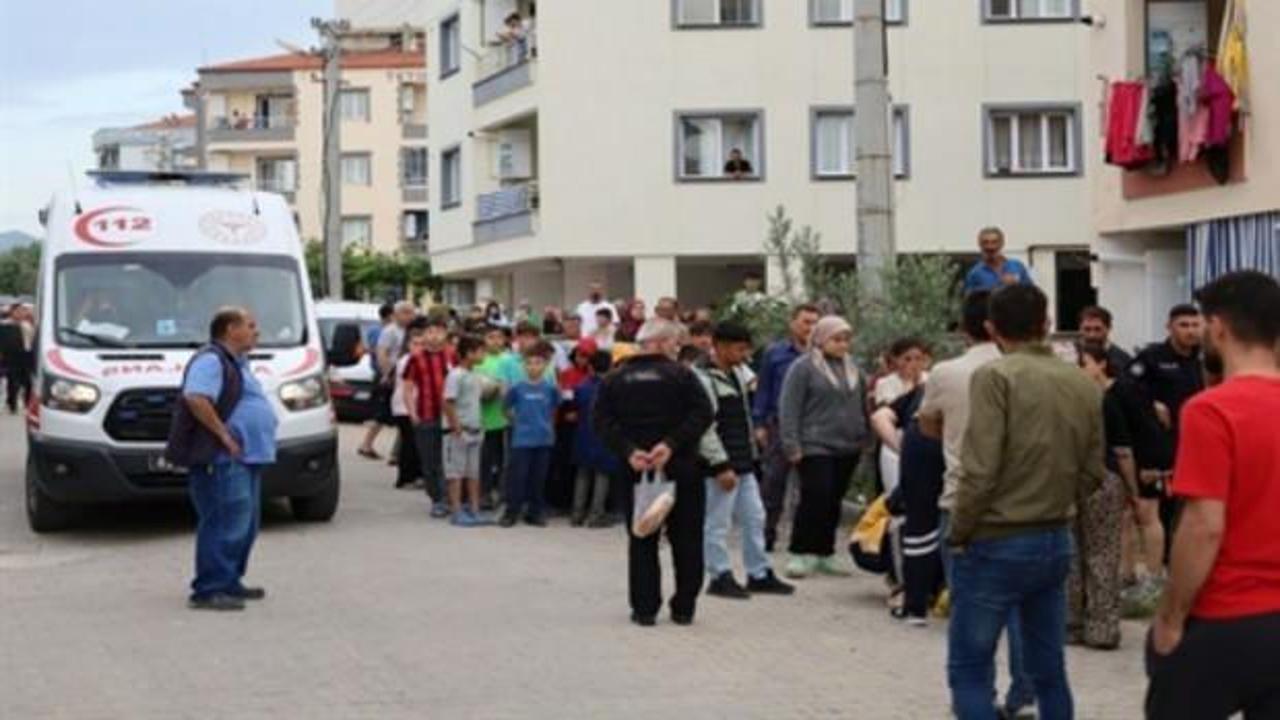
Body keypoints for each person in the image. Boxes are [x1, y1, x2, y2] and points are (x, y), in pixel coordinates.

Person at [947, 284, 1104, 720]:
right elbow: (1093, 471)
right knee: (1048, 670)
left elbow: (979, 470)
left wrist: (959, 531)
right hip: (1054, 536)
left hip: (996, 538)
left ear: (992, 328)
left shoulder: (996, 377)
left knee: (971, 667)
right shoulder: (1082, 382)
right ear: (1047, 324)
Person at [1145, 271, 1280, 720]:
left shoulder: (1212, 410)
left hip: (1228, 614)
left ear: (1218, 327)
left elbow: (1204, 526)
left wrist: (1171, 616)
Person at [918, 291, 1035, 717]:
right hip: (1024, 506)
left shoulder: (946, 373)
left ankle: (974, 697)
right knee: (1023, 609)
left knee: (970, 610)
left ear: (969, 328)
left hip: (962, 499)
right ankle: (1024, 694)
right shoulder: (1036, 373)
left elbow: (927, 425)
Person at [593, 318, 714, 627]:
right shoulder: (683, 376)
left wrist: (629, 450)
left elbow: (601, 422)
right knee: (687, 538)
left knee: (642, 538)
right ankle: (684, 607)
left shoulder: (614, 379)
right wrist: (671, 444)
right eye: (676, 344)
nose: (678, 350)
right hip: (681, 466)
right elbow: (704, 413)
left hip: (636, 470)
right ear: (661, 343)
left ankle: (645, 609)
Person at [173, 307, 277, 611]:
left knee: (245, 524)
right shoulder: (211, 359)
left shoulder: (238, 363)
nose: (257, 331)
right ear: (231, 329)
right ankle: (209, 588)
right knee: (223, 521)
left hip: (248, 457)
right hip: (222, 458)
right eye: (250, 325)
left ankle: (229, 580)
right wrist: (223, 435)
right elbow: (195, 397)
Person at [697, 322, 795, 600]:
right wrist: (719, 465)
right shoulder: (702, 378)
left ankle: (759, 572)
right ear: (721, 347)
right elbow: (705, 427)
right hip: (720, 465)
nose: (744, 355)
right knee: (717, 523)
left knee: (755, 517)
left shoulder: (739, 374)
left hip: (744, 460)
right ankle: (719, 575)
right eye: (739, 349)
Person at [778, 315, 868, 580]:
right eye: (836, 339)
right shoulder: (803, 367)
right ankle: (799, 551)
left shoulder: (854, 369)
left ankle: (825, 552)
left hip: (848, 445)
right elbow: (789, 407)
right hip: (814, 443)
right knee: (816, 494)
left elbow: (863, 404)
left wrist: (866, 437)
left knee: (833, 500)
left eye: (846, 339)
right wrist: (791, 443)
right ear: (820, 339)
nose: (842, 345)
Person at [1126, 304, 1206, 563]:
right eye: (1184, 325)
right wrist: (1151, 404)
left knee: (1194, 505)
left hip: (1196, 442)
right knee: (1165, 507)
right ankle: (1166, 562)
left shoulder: (1205, 358)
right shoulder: (1152, 357)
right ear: (1169, 327)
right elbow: (1125, 390)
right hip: (1162, 446)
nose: (1191, 331)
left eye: (1195, 325)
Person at [1067, 342, 1133, 650]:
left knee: (1073, 553)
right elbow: (1122, 451)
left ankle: (1071, 622)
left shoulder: (1059, 401)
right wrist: (1131, 488)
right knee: (1102, 554)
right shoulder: (1106, 400)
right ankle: (1103, 626)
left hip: (1066, 480)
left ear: (1101, 364)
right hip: (1103, 480)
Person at [753, 303, 821, 551]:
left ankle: (804, 541)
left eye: (815, 322)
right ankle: (765, 535)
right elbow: (764, 389)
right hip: (779, 425)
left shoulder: (823, 355)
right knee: (773, 483)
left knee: (810, 487)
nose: (810, 328)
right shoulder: (775, 353)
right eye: (806, 322)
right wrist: (759, 423)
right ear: (793, 323)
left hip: (814, 428)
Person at [501, 341, 561, 527]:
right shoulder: (517, 388)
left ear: (545, 366)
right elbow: (505, 408)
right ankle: (511, 512)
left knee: (538, 478)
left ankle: (535, 512)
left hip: (543, 439)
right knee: (518, 477)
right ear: (523, 366)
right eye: (529, 363)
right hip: (522, 440)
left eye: (538, 363)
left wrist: (549, 428)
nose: (534, 367)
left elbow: (554, 409)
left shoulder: (550, 389)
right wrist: (516, 422)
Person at [403, 316, 455, 518]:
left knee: (447, 459)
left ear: (445, 334)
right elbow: (407, 388)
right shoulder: (415, 358)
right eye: (430, 332)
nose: (434, 336)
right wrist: (412, 413)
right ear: (423, 335)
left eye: (439, 332)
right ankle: (436, 498)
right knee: (429, 460)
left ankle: (448, 498)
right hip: (425, 413)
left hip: (449, 415)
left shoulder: (452, 355)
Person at [443, 335, 490, 527]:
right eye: (480, 351)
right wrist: (456, 427)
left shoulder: (475, 375)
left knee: (473, 473)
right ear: (469, 353)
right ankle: (456, 511)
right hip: (459, 431)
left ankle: (474, 509)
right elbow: (448, 402)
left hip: (476, 429)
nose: (483, 354)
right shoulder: (456, 375)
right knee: (456, 473)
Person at [571, 350, 619, 528]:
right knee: (602, 475)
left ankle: (577, 513)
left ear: (590, 367)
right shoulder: (613, 387)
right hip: (604, 435)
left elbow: (575, 406)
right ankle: (596, 514)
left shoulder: (582, 387)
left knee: (582, 474)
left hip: (583, 434)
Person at [362, 301, 413, 460]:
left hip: (404, 376)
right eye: (406, 312)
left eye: (411, 312)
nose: (409, 316)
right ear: (395, 314)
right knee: (383, 414)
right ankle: (366, 444)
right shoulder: (390, 331)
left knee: (402, 413)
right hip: (391, 376)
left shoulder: (409, 331)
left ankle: (397, 452)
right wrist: (386, 374)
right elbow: (382, 353)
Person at [476, 326, 512, 509]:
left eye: (499, 337)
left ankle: (502, 494)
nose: (496, 341)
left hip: (506, 420)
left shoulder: (510, 360)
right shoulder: (479, 361)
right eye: (491, 337)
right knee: (485, 459)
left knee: (503, 460)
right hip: (485, 420)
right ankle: (484, 493)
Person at [391, 328, 425, 489]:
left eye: (422, 344)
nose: (418, 347)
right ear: (408, 345)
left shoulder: (416, 359)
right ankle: (406, 477)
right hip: (404, 407)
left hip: (413, 405)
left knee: (413, 443)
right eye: (415, 343)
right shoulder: (407, 361)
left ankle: (414, 474)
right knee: (409, 443)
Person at [962, 227, 1033, 294]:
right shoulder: (974, 273)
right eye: (985, 242)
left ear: (1002, 243)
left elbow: (1031, 292)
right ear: (980, 245)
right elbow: (970, 301)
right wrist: (998, 287)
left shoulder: (1017, 266)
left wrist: (1017, 285)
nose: (990, 247)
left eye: (994, 242)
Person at [1078, 305, 1133, 372]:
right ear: (1080, 329)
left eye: (1098, 329)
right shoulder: (1070, 357)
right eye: (1087, 329)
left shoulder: (1123, 360)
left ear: (1109, 328)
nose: (1092, 335)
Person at [2, 303, 34, 414]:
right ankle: (12, 404)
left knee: (28, 381)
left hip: (26, 355)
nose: (21, 313)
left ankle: (27, 403)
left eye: (23, 311)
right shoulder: (5, 325)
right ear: (12, 312)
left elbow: (32, 340)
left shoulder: (27, 326)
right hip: (11, 356)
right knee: (12, 380)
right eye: (18, 311)